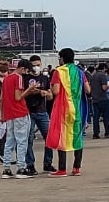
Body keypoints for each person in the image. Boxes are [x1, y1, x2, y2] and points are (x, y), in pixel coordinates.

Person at [45, 48, 90, 177]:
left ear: (62, 58)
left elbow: (56, 91)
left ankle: (62, 169)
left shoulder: (58, 72)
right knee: (77, 136)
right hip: (77, 109)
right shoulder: (80, 72)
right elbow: (87, 90)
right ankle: (76, 168)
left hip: (63, 109)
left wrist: (51, 87)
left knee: (61, 136)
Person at [0, 59, 38, 180]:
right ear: (22, 68)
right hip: (20, 112)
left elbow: (2, 98)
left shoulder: (6, 79)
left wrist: (2, 114)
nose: (26, 73)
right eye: (26, 71)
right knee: (22, 141)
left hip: (9, 113)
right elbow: (18, 97)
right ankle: (21, 168)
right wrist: (30, 89)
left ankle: (6, 168)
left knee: (9, 141)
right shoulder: (18, 78)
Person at [24, 55, 55, 175]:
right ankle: (30, 164)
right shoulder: (25, 78)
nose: (36, 67)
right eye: (34, 65)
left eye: (38, 65)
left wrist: (47, 94)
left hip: (42, 111)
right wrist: (37, 91)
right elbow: (22, 94)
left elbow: (50, 95)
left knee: (49, 137)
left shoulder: (45, 78)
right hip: (29, 111)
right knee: (29, 139)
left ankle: (48, 163)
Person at [89, 63, 109, 139]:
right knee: (106, 117)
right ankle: (107, 133)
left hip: (95, 99)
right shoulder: (103, 76)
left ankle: (96, 134)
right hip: (103, 98)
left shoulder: (93, 76)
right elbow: (104, 88)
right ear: (104, 68)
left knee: (96, 118)